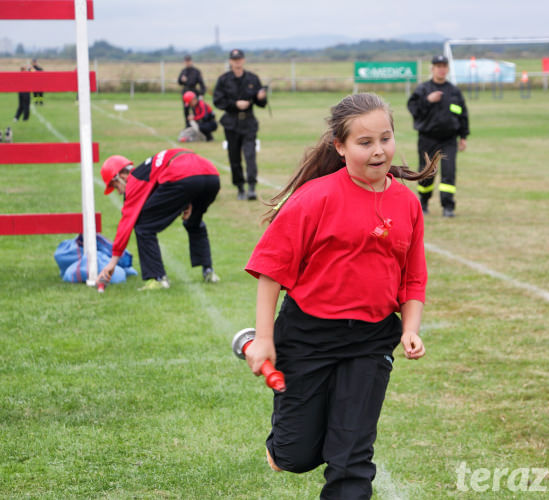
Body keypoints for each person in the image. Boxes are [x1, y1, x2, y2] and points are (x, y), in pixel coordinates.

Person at [243, 93, 438, 499]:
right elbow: (270, 269)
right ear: (340, 146)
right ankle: (280, 435)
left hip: (370, 340)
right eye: (365, 142)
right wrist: (264, 339)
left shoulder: (406, 204)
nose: (379, 150)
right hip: (307, 335)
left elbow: (413, 278)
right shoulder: (314, 197)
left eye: (385, 139)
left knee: (351, 457)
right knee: (296, 455)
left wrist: (411, 329)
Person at [98, 148, 221, 290]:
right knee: (194, 221)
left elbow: (127, 222)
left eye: (115, 186)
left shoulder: (135, 180)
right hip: (211, 176)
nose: (119, 192)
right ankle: (208, 271)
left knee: (143, 226)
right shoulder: (148, 170)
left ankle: (158, 278)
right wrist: (187, 202)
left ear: (121, 176)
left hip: (184, 177)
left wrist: (112, 262)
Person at [407, 54, 469, 217]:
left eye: (444, 66)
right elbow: (413, 108)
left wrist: (463, 136)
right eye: (438, 66)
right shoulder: (423, 89)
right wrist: (427, 100)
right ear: (432, 69)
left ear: (447, 69)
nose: (441, 69)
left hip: (449, 139)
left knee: (449, 172)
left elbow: (463, 115)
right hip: (428, 138)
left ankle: (448, 206)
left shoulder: (454, 91)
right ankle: (424, 201)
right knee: (427, 172)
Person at [213, 49, 267, 201]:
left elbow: (261, 103)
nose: (237, 61)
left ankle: (251, 187)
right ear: (230, 61)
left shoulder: (252, 78)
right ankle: (240, 188)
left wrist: (261, 97)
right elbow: (218, 101)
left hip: (249, 122)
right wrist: (235, 104)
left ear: (243, 60)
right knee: (234, 157)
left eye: (239, 59)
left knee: (250, 155)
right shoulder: (224, 79)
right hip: (231, 123)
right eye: (234, 59)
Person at [177, 55, 206, 128]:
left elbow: (202, 84)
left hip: (193, 93)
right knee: (186, 109)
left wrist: (201, 93)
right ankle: (187, 125)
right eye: (186, 61)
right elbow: (179, 82)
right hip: (186, 93)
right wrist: (181, 80)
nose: (187, 63)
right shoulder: (183, 71)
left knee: (195, 110)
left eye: (189, 61)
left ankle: (197, 125)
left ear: (191, 61)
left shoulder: (196, 71)